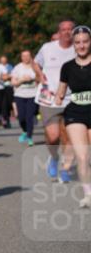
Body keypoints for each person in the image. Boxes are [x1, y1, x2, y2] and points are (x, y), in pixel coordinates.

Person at [54, 24, 91, 209]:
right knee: (82, 156)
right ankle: (88, 195)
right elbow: (60, 92)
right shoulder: (67, 67)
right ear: (73, 45)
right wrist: (58, 97)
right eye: (78, 43)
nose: (82, 46)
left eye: (85, 42)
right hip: (75, 113)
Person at [36, 19, 76, 182]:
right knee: (53, 136)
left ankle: (65, 167)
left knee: (68, 137)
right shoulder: (47, 48)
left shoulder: (79, 48)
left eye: (70, 29)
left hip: (72, 99)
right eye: (63, 29)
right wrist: (40, 76)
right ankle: (54, 157)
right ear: (58, 32)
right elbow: (36, 63)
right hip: (49, 99)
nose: (66, 32)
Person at [11, 50, 44, 146]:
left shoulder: (35, 67)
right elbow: (13, 82)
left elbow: (41, 79)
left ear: (31, 57)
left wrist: (33, 78)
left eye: (27, 56)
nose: (25, 58)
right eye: (23, 56)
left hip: (33, 94)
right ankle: (25, 131)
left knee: (29, 117)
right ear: (21, 57)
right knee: (21, 117)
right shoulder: (17, 68)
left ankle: (30, 137)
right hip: (20, 95)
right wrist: (22, 80)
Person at [0, 54, 14, 128]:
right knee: (2, 104)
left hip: (9, 87)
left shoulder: (10, 66)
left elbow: (12, 75)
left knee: (8, 104)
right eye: (2, 60)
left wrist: (6, 76)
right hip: (0, 87)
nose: (3, 61)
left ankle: (7, 120)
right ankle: (3, 120)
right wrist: (4, 77)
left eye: (4, 60)